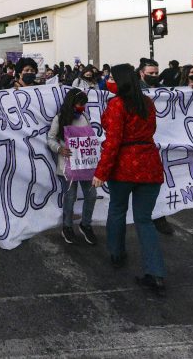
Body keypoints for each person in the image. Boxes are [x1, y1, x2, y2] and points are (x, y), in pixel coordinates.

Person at [93, 64, 166, 295]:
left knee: (117, 209)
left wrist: (101, 172)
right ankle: (156, 273)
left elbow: (113, 141)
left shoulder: (117, 104)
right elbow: (151, 129)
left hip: (124, 165)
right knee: (144, 220)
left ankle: (117, 253)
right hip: (149, 165)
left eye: (112, 78)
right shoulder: (148, 103)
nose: (109, 81)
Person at [46, 88, 99, 246]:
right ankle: (67, 227)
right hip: (67, 165)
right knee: (70, 197)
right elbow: (50, 138)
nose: (82, 107)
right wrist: (59, 149)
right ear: (71, 103)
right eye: (79, 104)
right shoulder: (60, 118)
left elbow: (90, 137)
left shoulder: (85, 117)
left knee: (91, 194)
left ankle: (86, 224)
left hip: (85, 165)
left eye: (84, 104)